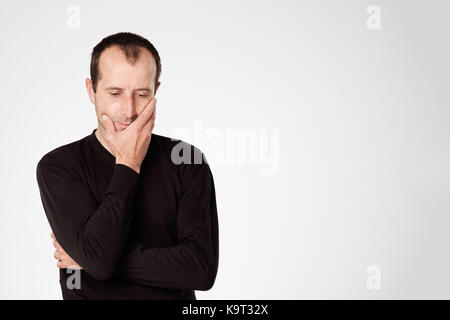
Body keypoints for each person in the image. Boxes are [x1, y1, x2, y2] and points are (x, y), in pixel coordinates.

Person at [36, 32, 219, 299]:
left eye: (142, 94)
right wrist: (128, 164)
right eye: (115, 93)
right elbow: (97, 259)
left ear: (156, 91)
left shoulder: (186, 160)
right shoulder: (59, 166)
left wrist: (90, 258)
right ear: (91, 90)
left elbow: (201, 269)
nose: (129, 110)